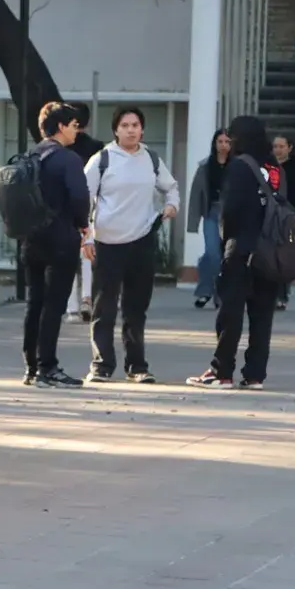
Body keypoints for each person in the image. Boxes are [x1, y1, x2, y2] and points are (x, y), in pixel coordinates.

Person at [83, 106, 180, 383]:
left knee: (136, 309)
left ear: (142, 129)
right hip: (107, 242)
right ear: (115, 130)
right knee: (104, 308)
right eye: (125, 125)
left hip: (142, 240)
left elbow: (171, 186)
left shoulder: (151, 158)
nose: (130, 130)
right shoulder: (102, 160)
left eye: (135, 125)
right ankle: (101, 365)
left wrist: (172, 204)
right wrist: (86, 236)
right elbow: (83, 198)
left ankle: (137, 366)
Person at [186, 116, 282, 390]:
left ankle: (222, 371)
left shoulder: (240, 166)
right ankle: (255, 375)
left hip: (241, 248)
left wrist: (225, 241)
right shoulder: (273, 166)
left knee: (230, 313)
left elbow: (230, 210)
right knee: (262, 316)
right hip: (270, 250)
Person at [20, 102, 90, 388]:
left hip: (31, 238)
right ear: (61, 127)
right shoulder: (68, 159)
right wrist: (83, 224)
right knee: (54, 304)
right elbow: (79, 197)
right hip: (60, 238)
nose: (76, 131)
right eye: (73, 125)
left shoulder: (31, 155)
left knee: (35, 302)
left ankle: (31, 366)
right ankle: (47, 367)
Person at [66, 102, 103, 322]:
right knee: (88, 254)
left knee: (70, 257)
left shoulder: (62, 149)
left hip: (66, 208)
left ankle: (71, 306)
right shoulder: (98, 148)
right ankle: (87, 297)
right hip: (91, 206)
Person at [186, 129, 231, 309]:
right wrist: (193, 222)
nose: (223, 145)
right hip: (212, 213)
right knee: (212, 253)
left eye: (227, 142)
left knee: (226, 256)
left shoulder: (237, 165)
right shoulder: (205, 166)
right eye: (220, 141)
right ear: (214, 144)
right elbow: (196, 194)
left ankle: (217, 293)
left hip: (231, 214)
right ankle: (206, 291)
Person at [272, 134, 295, 310]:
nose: (277, 150)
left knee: (283, 255)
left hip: (286, 215)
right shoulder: (268, 165)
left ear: (289, 148)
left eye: (281, 146)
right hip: (269, 214)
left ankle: (282, 295)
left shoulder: (294, 168)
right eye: (275, 146)